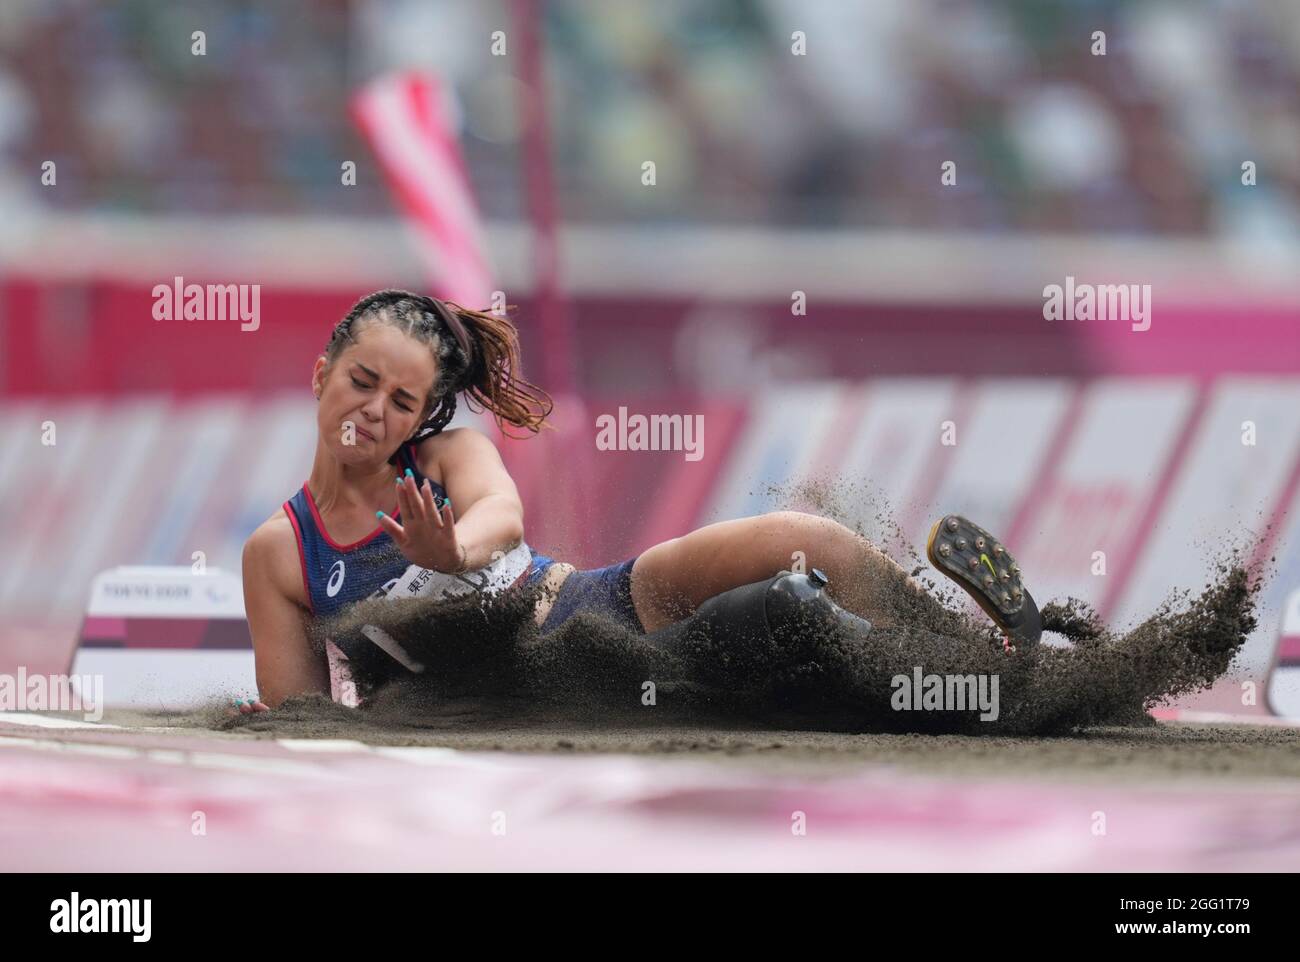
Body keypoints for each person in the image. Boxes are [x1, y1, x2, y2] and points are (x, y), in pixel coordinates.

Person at [236, 290, 1039, 713]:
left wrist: (453, 553)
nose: (374, 411)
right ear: (322, 375)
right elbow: (302, 717)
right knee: (790, 616)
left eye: (402, 401)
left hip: (594, 605)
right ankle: (937, 686)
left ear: (423, 417)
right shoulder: (280, 554)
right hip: (552, 691)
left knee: (804, 541)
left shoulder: (448, 457)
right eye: (361, 382)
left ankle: (995, 665)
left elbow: (501, 518)